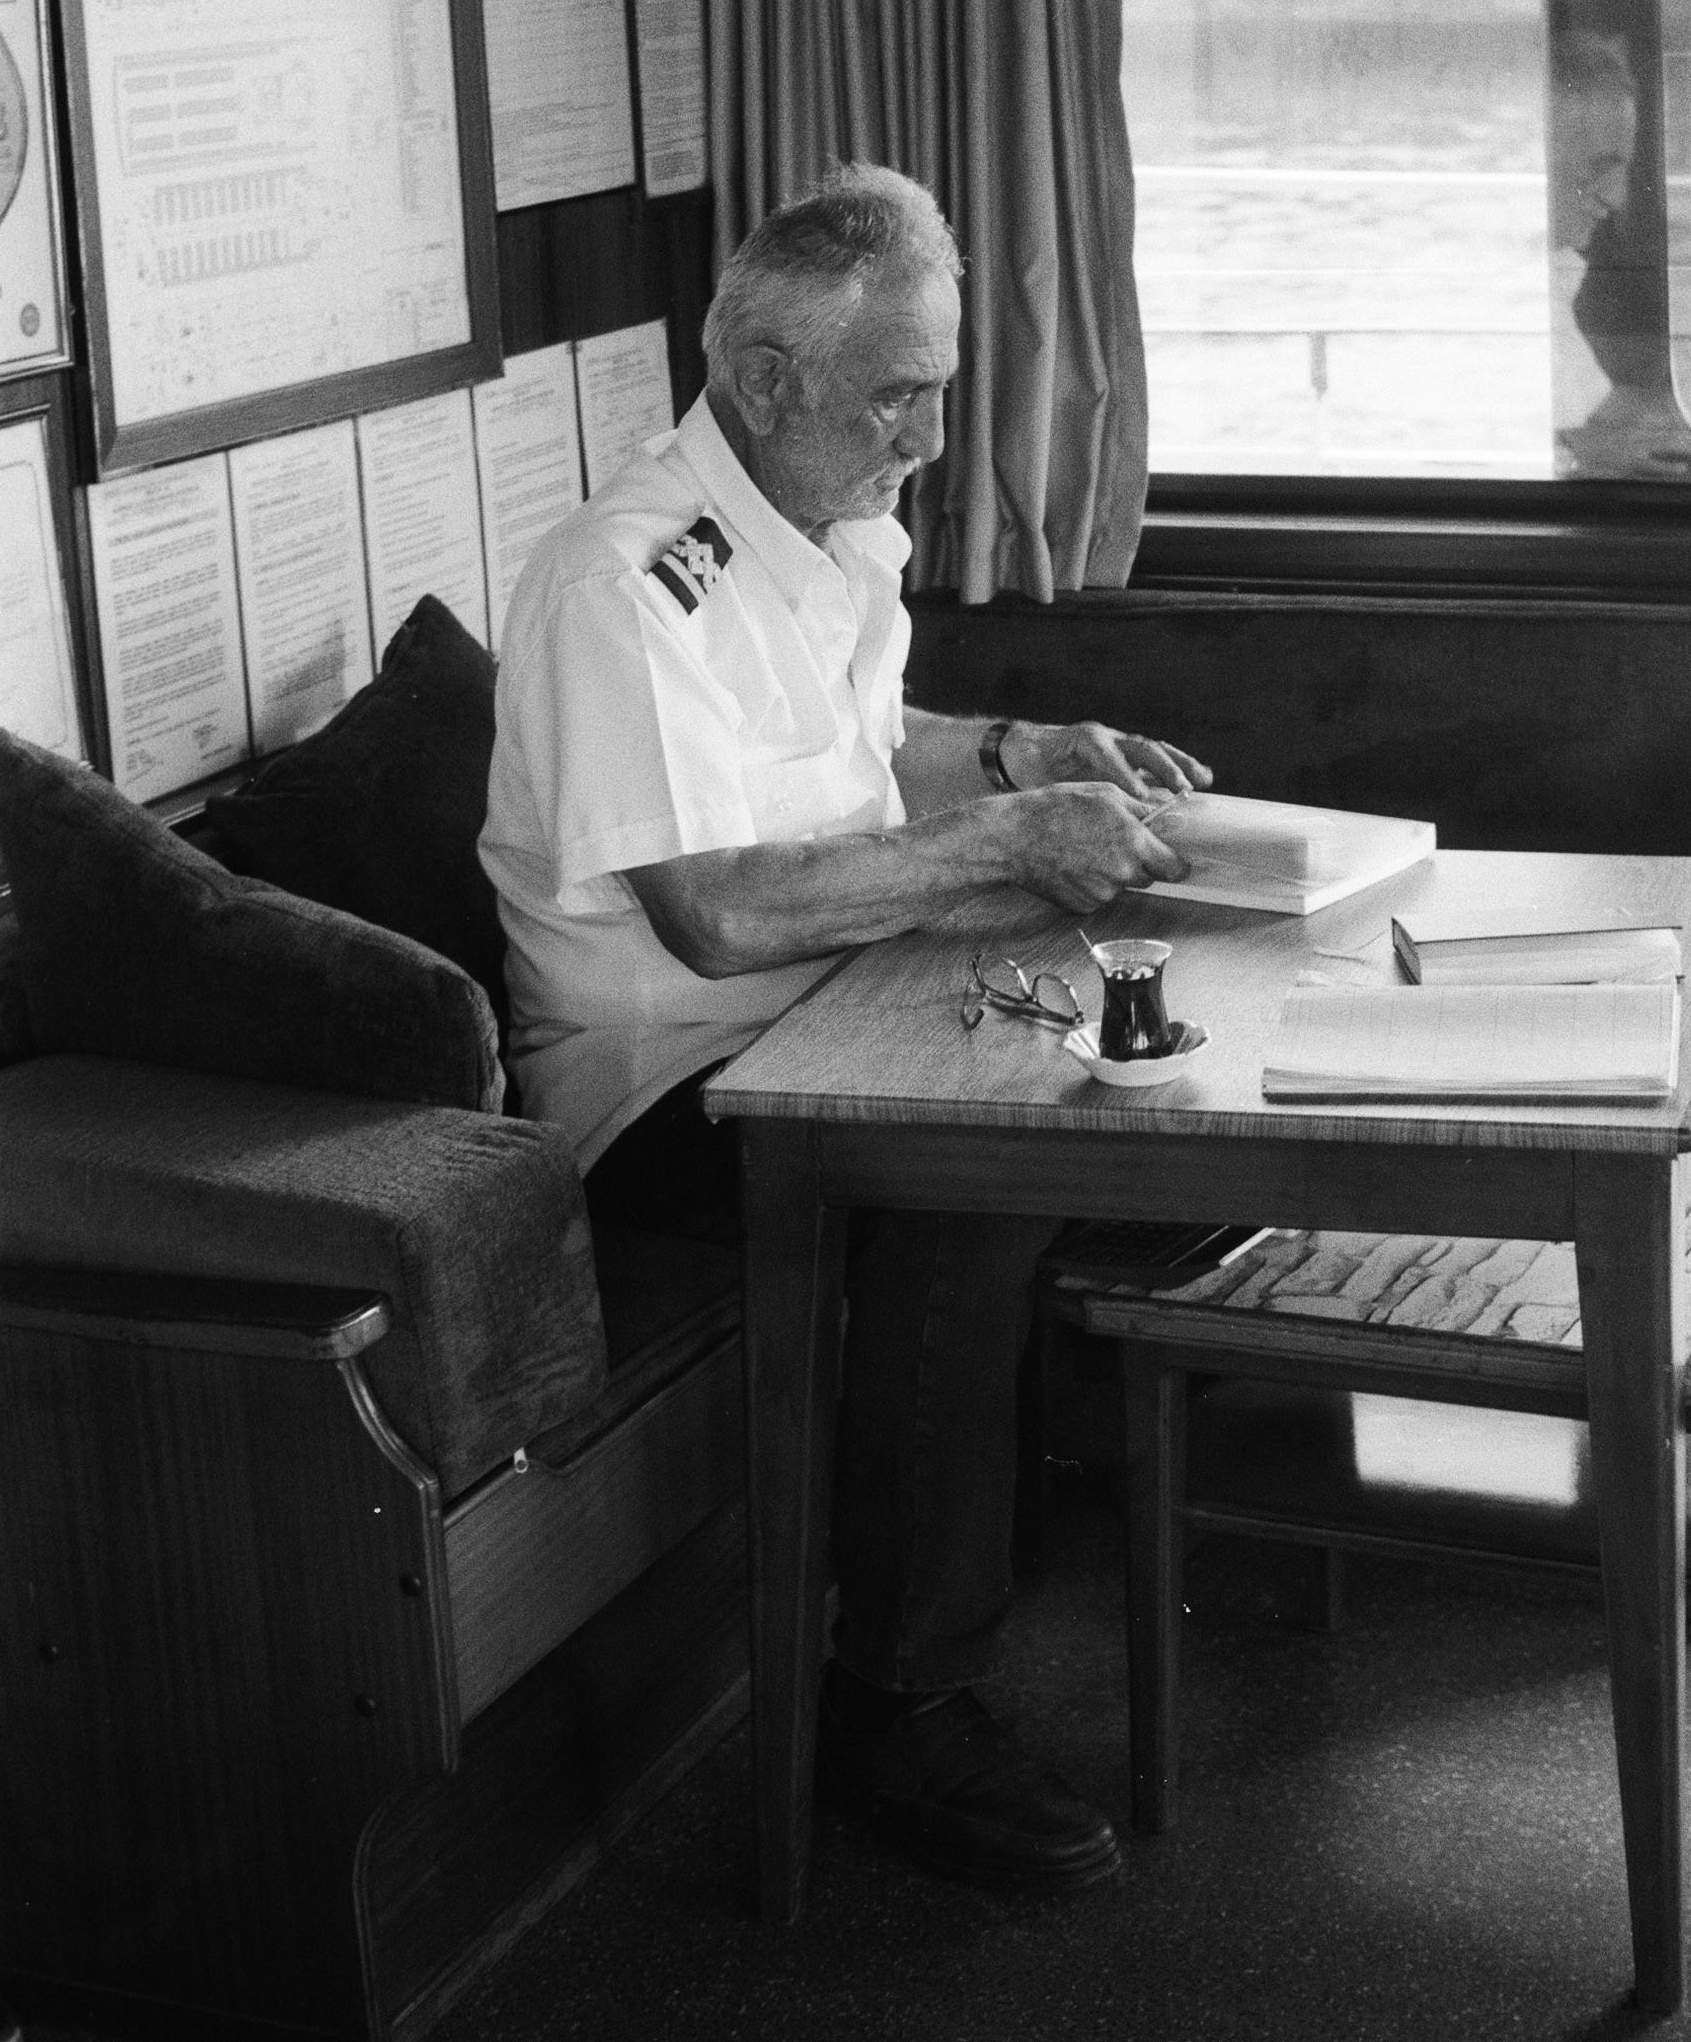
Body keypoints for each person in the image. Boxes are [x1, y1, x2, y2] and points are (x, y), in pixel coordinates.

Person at [480, 163, 1212, 1897]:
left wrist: (1025, 753)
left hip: (817, 1023)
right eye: (901, 393)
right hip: (666, 1095)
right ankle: (897, 1695)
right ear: (768, 377)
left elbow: (870, 746)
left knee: (1111, 1088)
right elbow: (716, 908)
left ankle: (1001, 1560)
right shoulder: (623, 580)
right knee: (965, 1184)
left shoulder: (825, 520)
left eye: (942, 385)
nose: (931, 435)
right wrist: (1007, 850)